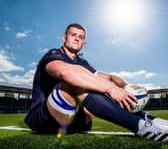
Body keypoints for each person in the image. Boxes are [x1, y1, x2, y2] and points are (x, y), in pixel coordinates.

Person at [25, 23, 168, 142]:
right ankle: (140, 127)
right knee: (78, 82)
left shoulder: (82, 63)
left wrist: (128, 88)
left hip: (75, 123)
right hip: (43, 119)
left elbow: (110, 78)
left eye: (81, 37)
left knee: (96, 82)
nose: (77, 39)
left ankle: (149, 119)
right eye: (73, 35)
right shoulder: (54, 55)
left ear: (84, 43)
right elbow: (66, 72)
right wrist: (110, 89)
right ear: (64, 38)